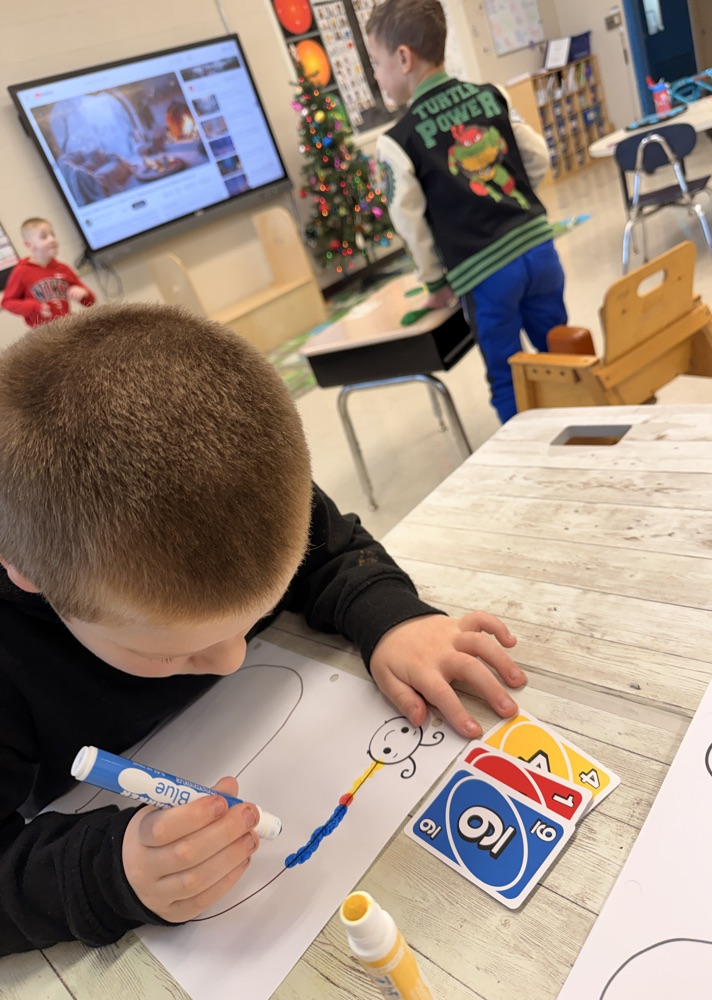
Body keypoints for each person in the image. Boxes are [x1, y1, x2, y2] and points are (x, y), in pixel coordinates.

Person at [0, 303, 526, 955]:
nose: (230, 659)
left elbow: (332, 551)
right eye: (175, 652)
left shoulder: (237, 482)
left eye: (253, 618)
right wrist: (108, 875)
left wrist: (389, 617)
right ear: (29, 575)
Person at [366, 0, 568, 423]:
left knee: (508, 375)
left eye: (377, 62)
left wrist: (434, 279)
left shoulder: (396, 141)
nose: (376, 75)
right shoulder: (490, 96)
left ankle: (534, 461)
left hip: (485, 272)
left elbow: (409, 221)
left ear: (404, 58)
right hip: (538, 247)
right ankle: (588, 426)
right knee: (560, 349)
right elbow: (536, 158)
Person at [1, 217, 95, 327]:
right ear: (29, 245)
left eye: (53, 235)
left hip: (68, 328)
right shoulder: (21, 271)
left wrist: (83, 293)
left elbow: (90, 301)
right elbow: (7, 302)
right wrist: (33, 307)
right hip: (43, 335)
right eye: (44, 236)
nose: (52, 239)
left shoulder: (64, 269)